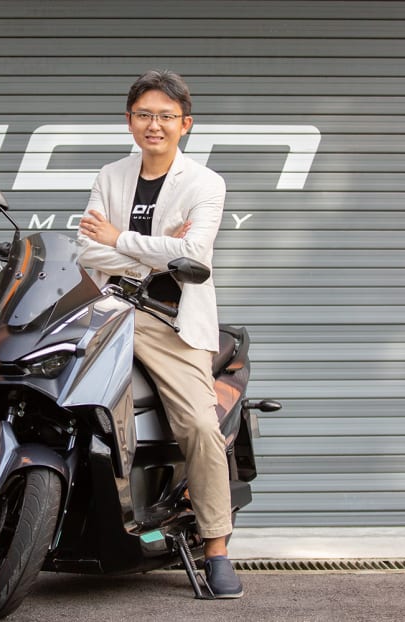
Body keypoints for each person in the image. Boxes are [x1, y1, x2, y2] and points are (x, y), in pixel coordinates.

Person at [76, 70, 242, 598]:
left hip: (169, 319)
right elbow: (86, 252)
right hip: (106, 310)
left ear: (185, 125)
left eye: (166, 116)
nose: (155, 125)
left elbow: (194, 259)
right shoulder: (110, 175)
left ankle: (216, 548)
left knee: (197, 422)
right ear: (129, 121)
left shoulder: (206, 183)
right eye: (144, 114)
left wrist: (122, 241)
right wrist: (156, 248)